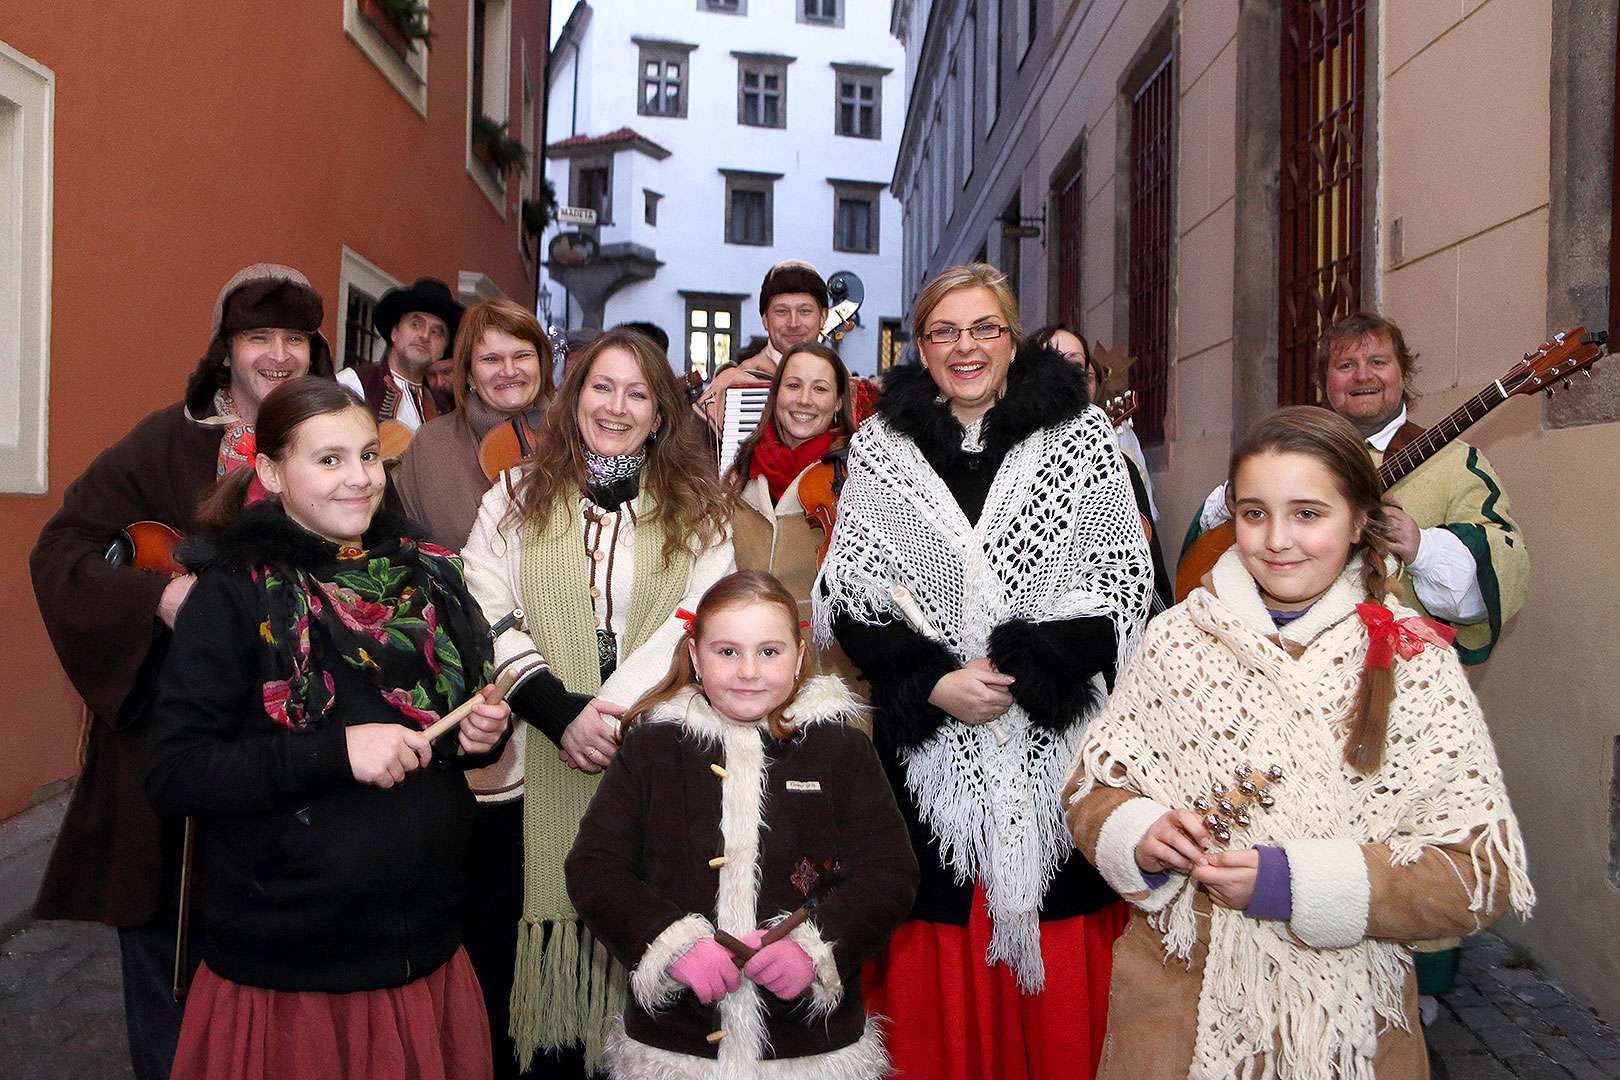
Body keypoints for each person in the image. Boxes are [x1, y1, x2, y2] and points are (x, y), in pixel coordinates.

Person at [1065, 405, 1534, 1078]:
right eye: (1255, 514)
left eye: (1308, 514)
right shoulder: (1174, 640)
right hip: (1176, 1017)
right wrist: (1136, 831)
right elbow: (1091, 788)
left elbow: (1474, 872)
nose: (1277, 539)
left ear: (1359, 520)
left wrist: (1302, 884)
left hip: (1354, 1032)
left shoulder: (1413, 660)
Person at [816, 263, 1154, 1080]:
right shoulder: (882, 448)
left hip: (1055, 742)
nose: (964, 347)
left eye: (983, 329)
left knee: (1064, 1005)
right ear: (920, 346)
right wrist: (933, 679)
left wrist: (1015, 675)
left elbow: (1117, 585)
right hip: (929, 753)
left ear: (1012, 338)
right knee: (936, 981)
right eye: (943, 331)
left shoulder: (1079, 439)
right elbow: (853, 592)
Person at [143, 376, 509, 1079]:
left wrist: (473, 738)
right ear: (274, 471)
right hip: (291, 977)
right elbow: (176, 772)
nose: (359, 480)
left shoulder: (425, 578)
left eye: (369, 456)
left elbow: (433, 743)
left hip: (424, 953)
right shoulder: (233, 594)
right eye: (329, 460)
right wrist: (334, 752)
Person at [28, 263, 334, 1080]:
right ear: (225, 349)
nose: (277, 355)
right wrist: (154, 599)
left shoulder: (338, 440)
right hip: (166, 757)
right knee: (166, 984)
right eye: (257, 338)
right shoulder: (165, 440)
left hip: (289, 754)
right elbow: (59, 547)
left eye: (294, 338)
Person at [459, 326, 735, 1076]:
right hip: (527, 765)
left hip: (647, 768)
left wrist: (605, 713)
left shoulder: (699, 510)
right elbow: (481, 608)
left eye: (637, 392)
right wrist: (556, 709)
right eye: (601, 387)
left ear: (661, 413)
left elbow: (699, 621)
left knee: (641, 988)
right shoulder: (513, 496)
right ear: (573, 398)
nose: (616, 406)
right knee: (524, 1026)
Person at [565, 570, 918, 1077]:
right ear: (694, 657)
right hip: (678, 1042)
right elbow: (595, 869)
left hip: (808, 1046)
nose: (748, 670)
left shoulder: (841, 750)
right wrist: (670, 944)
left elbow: (890, 875)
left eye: (769, 652)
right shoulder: (651, 748)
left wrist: (815, 947)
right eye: (727, 652)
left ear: (798, 657)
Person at [1186, 312, 1527, 664]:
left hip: (1398, 677)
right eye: (1346, 365)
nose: (1363, 375)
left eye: (1378, 362)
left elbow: (1502, 577)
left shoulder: (1458, 464)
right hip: (1272, 669)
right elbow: (1206, 555)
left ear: (1403, 374)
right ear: (1324, 380)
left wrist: (1420, 547)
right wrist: (1237, 503)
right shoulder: (1283, 455)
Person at [726, 340, 863, 687]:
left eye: (820, 389)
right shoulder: (739, 472)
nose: (804, 399)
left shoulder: (857, 477)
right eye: (793, 385)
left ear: (837, 404)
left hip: (828, 673)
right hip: (745, 669)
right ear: (776, 395)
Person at [1031, 322, 1172, 612]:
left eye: (1077, 366)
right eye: (1050, 363)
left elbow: (1150, 578)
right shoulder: (998, 463)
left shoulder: (1120, 468)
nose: (1068, 376)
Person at [393, 298, 555, 548]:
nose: (509, 371)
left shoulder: (575, 435)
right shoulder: (432, 444)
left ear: (541, 364)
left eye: (522, 356)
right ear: (469, 374)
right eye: (491, 359)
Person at [695, 261, 828, 439]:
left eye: (804, 311)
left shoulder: (843, 385)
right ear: (765, 319)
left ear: (823, 317)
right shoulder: (733, 384)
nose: (793, 324)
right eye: (781, 312)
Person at [338, 276, 462, 431]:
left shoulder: (443, 407)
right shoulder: (354, 382)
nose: (425, 336)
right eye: (416, 325)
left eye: (436, 332)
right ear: (395, 332)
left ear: (443, 349)